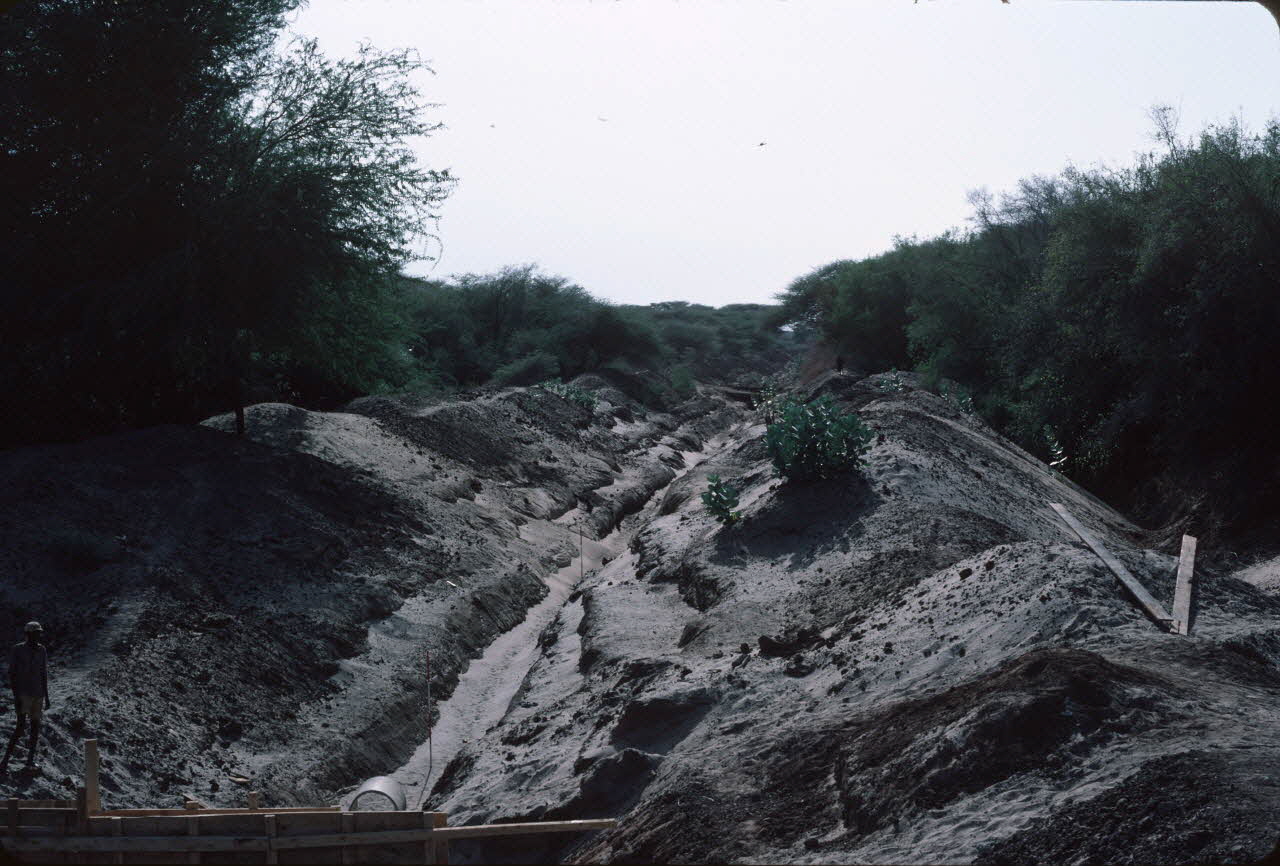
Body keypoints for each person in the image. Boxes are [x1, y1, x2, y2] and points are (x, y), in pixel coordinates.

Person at [1, 622, 50, 772]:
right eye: (35, 633)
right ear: (28, 634)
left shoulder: (42, 650)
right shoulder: (18, 649)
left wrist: (47, 696)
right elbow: (12, 673)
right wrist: (16, 696)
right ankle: (5, 761)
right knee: (20, 727)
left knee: (35, 727)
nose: (38, 635)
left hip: (38, 694)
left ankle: (30, 761)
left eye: (39, 633)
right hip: (23, 694)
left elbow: (44, 673)